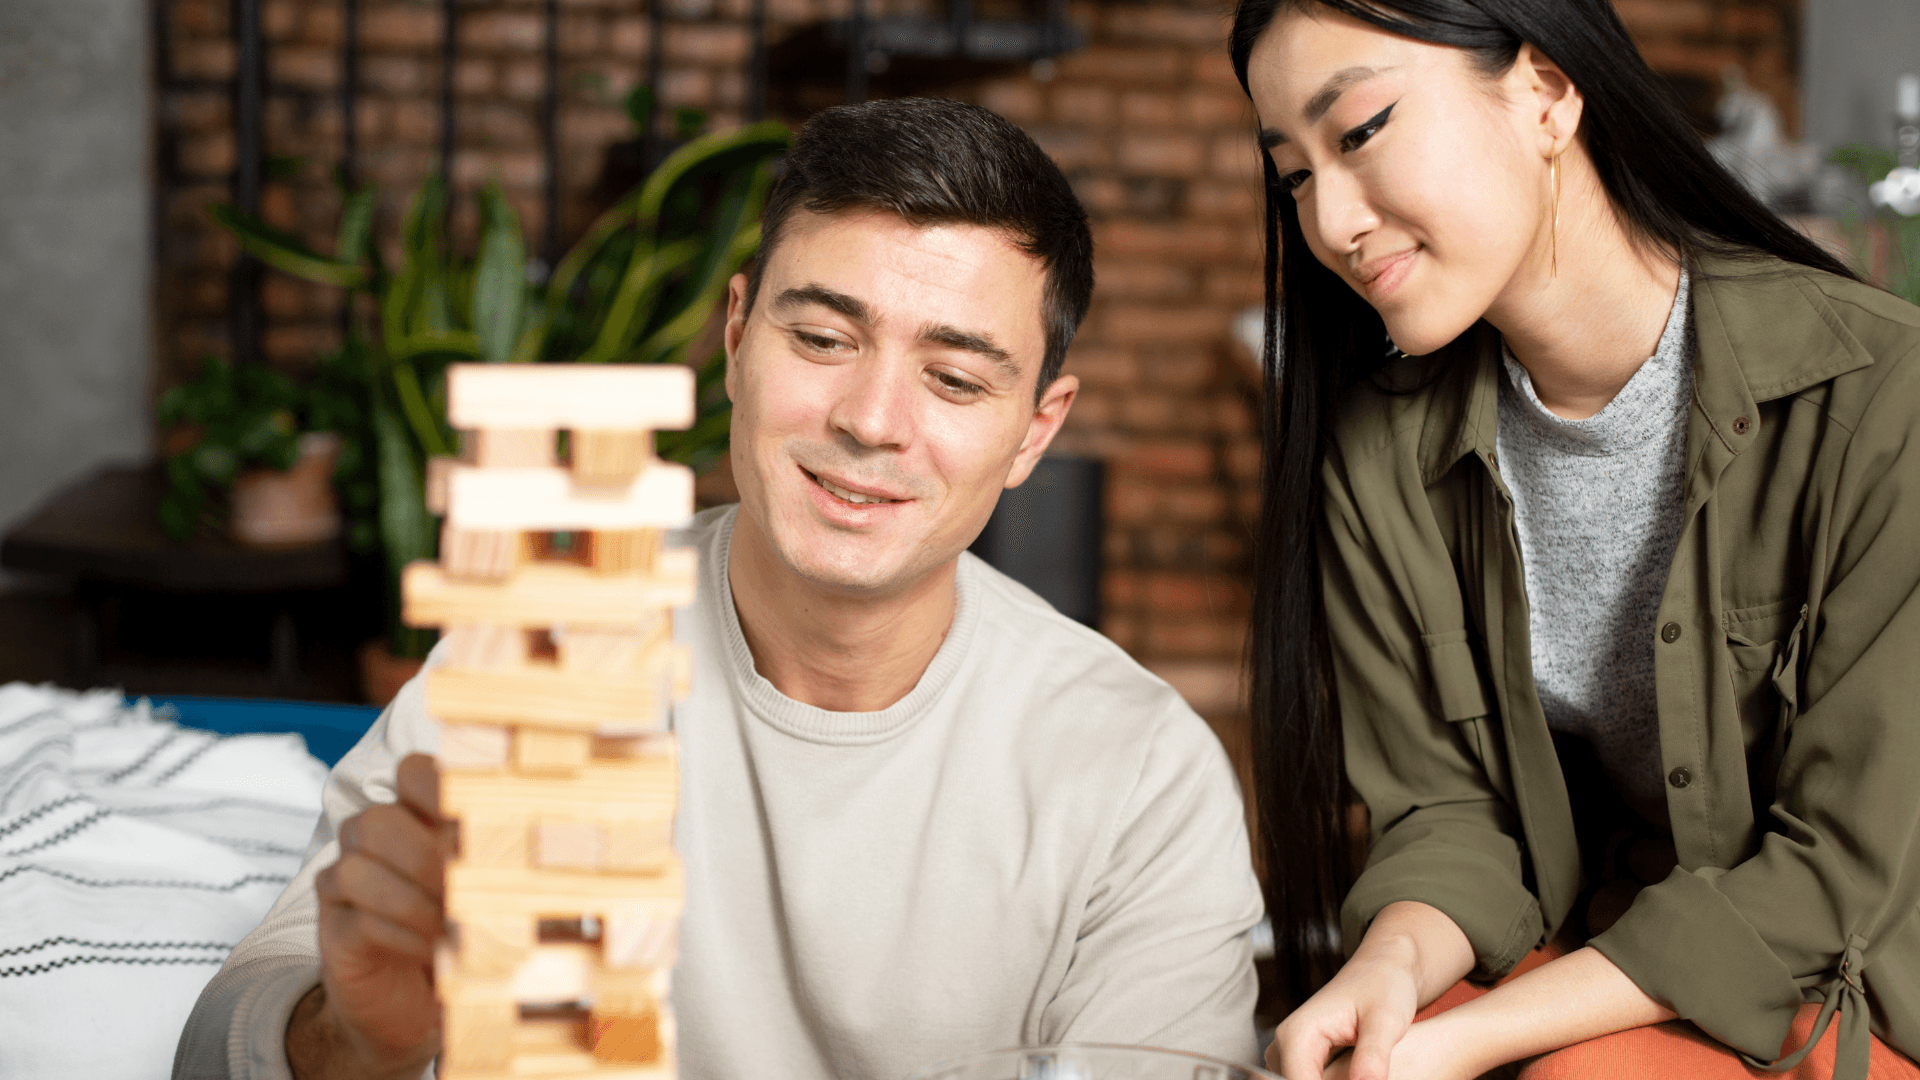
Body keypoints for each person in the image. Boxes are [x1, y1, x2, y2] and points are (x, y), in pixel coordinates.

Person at [172, 98, 1264, 1080]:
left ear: (1035, 429)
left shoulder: (1140, 777)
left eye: (955, 379)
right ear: (738, 335)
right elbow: (223, 1045)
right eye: (824, 337)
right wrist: (356, 1040)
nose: (872, 420)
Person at [1227, 1, 1920, 1079]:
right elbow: (1451, 808)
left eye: (1358, 131)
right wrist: (1393, 969)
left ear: (1546, 94)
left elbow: (1839, 878)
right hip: (1604, 946)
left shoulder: (1884, 401)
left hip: (1852, 978)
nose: (1330, 223)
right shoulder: (1379, 452)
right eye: (1296, 176)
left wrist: (1476, 1040)